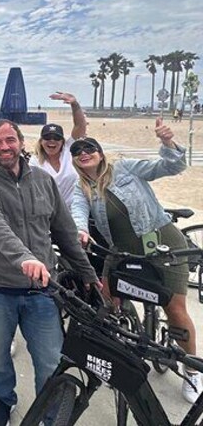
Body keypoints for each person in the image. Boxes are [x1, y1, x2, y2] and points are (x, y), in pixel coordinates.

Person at [0, 119, 99, 426]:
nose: (4, 146)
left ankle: (47, 410)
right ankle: (4, 398)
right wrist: (24, 258)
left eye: (9, 140)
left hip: (42, 289)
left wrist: (88, 273)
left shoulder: (43, 180)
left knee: (50, 361)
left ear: (21, 142)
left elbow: (65, 232)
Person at [69, 121, 200, 403]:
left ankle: (192, 369)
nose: (83, 152)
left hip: (163, 243)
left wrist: (168, 144)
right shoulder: (81, 188)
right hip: (121, 252)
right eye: (77, 150)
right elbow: (77, 211)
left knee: (175, 309)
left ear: (101, 154)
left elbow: (169, 167)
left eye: (89, 147)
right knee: (107, 300)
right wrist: (79, 229)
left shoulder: (125, 168)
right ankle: (126, 344)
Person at [29, 91, 87, 207]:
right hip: (48, 212)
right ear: (41, 141)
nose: (52, 141)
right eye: (47, 138)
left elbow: (79, 126)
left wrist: (74, 104)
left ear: (62, 141)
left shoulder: (69, 150)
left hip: (75, 210)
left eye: (56, 138)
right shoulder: (34, 161)